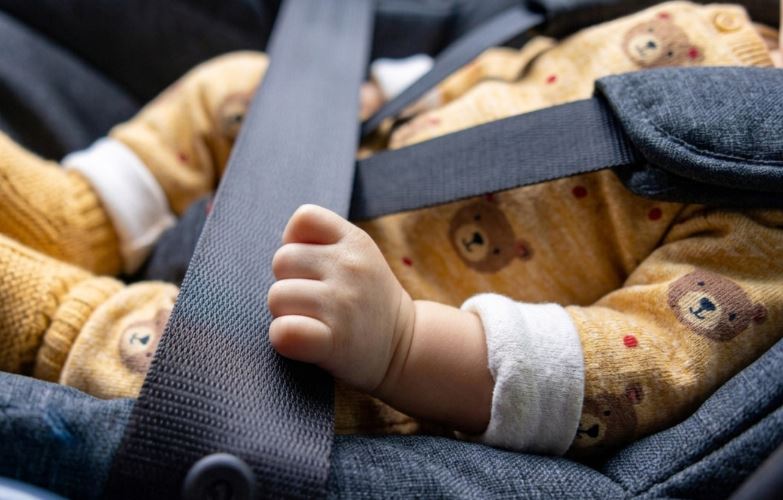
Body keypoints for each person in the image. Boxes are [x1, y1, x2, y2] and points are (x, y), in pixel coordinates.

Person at [0, 1, 780, 456]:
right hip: (345, 156)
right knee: (236, 88)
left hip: (381, 333)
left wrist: (402, 343)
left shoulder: (765, 205)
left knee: (176, 355)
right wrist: (382, 94)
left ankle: (53, 318)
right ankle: (82, 214)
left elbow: (624, 370)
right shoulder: (696, 17)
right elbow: (509, 71)